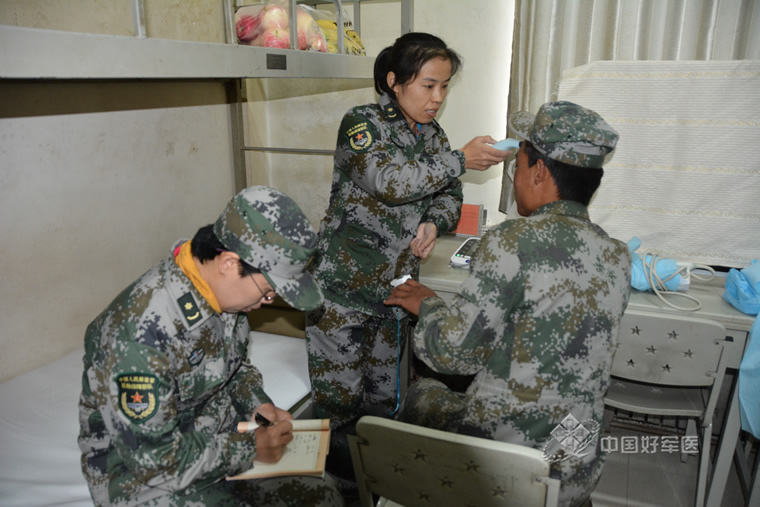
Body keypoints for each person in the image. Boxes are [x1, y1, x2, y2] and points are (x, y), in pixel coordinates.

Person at [385, 101, 632, 507]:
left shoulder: (511, 241)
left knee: (422, 394)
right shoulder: (618, 256)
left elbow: (452, 355)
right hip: (574, 470)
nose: (514, 175)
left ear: (539, 172)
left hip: (508, 471)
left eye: (517, 164)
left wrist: (428, 304)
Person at [305, 32, 511, 479]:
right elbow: (390, 182)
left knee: (384, 405)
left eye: (445, 86)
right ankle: (336, 491)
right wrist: (460, 159)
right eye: (428, 85)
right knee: (339, 409)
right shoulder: (363, 124)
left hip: (394, 296)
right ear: (394, 82)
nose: (438, 98)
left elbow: (450, 196)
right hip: (342, 296)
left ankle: (378, 485)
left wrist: (434, 222)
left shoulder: (432, 136)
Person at [78, 186, 343, 506]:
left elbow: (233, 367)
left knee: (322, 494)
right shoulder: (136, 334)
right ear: (229, 263)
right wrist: (250, 448)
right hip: (150, 480)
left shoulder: (225, 299)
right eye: (267, 291)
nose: (265, 302)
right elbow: (155, 461)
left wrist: (257, 404)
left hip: (217, 441)